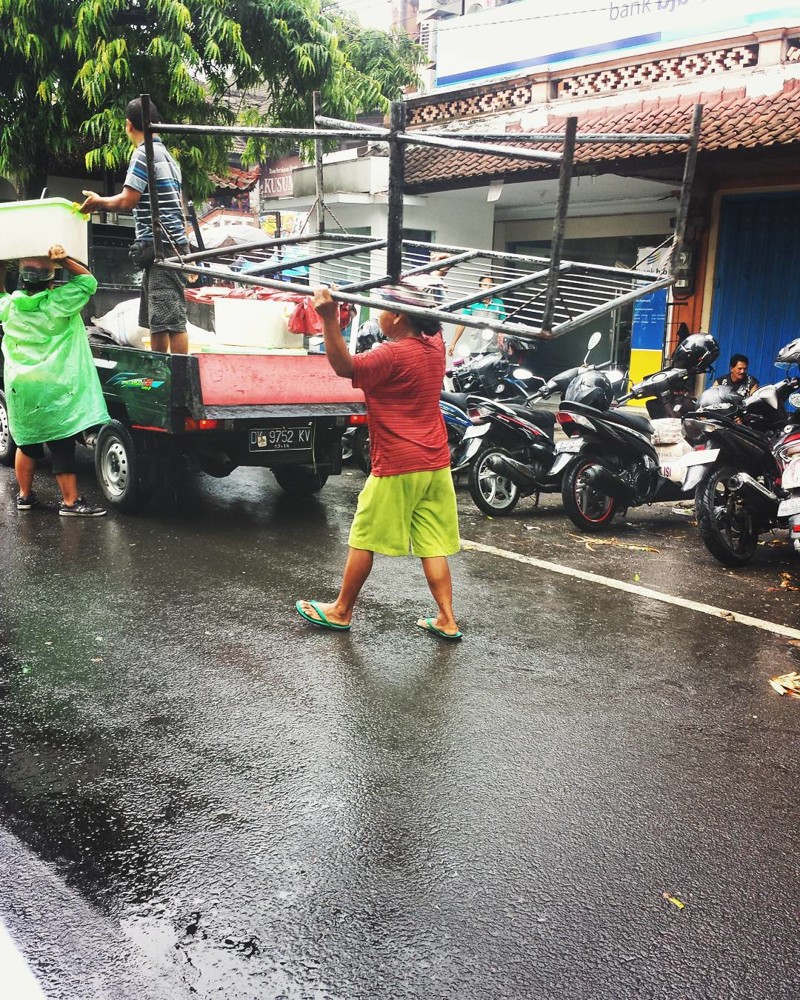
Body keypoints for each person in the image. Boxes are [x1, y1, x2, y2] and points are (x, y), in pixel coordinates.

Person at [294, 284, 462, 641]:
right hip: (435, 462)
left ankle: (341, 611)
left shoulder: (391, 355)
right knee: (431, 543)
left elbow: (343, 366)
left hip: (398, 465)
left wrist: (328, 318)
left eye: (382, 308)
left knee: (363, 536)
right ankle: (447, 619)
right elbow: (430, 317)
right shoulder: (434, 346)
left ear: (399, 316)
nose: (378, 315)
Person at [0, 246, 109, 515]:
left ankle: (25, 496)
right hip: (54, 385)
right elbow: (87, 282)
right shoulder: (59, 303)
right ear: (51, 279)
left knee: (26, 441)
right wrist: (65, 260)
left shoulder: (9, 307)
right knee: (61, 441)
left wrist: (2, 262)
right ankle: (71, 502)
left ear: (22, 279)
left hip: (22, 385)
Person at [80, 97, 190, 354]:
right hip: (163, 245)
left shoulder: (144, 153)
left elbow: (128, 201)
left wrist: (98, 202)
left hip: (163, 247)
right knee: (157, 320)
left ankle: (177, 383)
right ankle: (158, 373)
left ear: (129, 125)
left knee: (172, 321)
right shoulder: (168, 157)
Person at [448, 274, 507, 357]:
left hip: (493, 348)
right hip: (475, 347)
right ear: (480, 287)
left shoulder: (498, 303)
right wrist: (453, 343)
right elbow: (462, 324)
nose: (488, 287)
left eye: (490, 285)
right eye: (485, 285)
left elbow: (503, 326)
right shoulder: (472, 302)